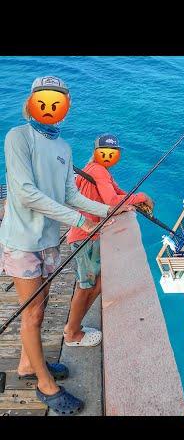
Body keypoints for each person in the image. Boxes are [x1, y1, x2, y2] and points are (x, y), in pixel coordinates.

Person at [0, 76, 133, 414]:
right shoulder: (18, 137)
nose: (50, 107)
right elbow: (26, 192)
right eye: (43, 99)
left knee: (41, 306)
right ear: (30, 102)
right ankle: (46, 386)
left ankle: (29, 367)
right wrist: (77, 221)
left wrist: (110, 210)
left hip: (48, 240)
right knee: (31, 313)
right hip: (22, 241)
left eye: (57, 100)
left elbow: (70, 194)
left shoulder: (63, 148)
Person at [65, 134, 152, 348]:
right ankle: (71, 333)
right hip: (86, 237)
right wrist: (140, 197)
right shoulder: (100, 172)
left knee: (96, 284)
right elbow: (112, 201)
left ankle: (74, 326)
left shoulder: (95, 170)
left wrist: (136, 199)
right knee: (85, 287)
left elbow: (119, 193)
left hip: (91, 235)